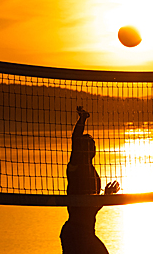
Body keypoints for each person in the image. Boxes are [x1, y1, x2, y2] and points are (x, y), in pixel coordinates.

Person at [60, 106, 119, 254]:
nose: (91, 147)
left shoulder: (93, 173)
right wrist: (82, 120)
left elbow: (91, 209)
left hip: (85, 232)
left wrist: (106, 195)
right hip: (76, 233)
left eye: (92, 145)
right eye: (87, 145)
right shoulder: (75, 167)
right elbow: (75, 140)